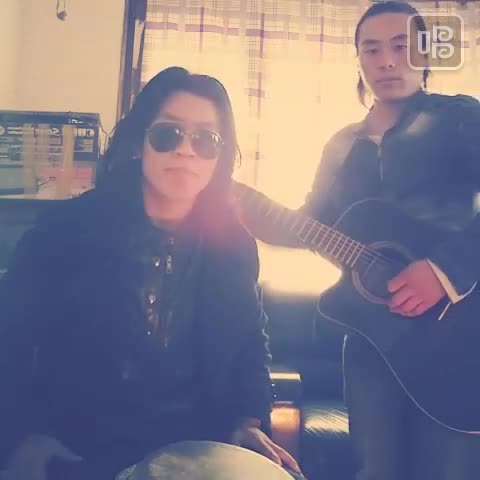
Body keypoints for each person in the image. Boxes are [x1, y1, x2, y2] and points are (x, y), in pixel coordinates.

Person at [0, 66, 302, 480]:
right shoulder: (65, 231)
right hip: (78, 444)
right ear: (140, 141)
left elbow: (249, 341)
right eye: (168, 134)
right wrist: (23, 433)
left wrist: (247, 421)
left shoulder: (233, 243)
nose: (186, 151)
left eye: (205, 140)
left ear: (220, 157)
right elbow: (10, 337)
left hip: (197, 446)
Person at [234, 2, 480, 479]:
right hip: (372, 342)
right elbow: (311, 225)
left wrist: (445, 271)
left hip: (459, 333)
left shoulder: (461, 118)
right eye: (372, 49)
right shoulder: (341, 146)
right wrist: (247, 209)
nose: (387, 61)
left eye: (401, 46)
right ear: (359, 61)